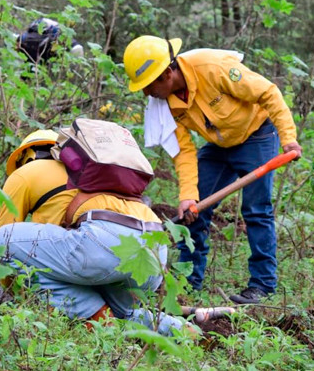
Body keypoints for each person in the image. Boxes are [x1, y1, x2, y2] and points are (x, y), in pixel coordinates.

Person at [122, 35, 303, 304]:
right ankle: (188, 283)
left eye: (148, 86)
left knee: (256, 210)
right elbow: (184, 151)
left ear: (167, 73)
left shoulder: (213, 68)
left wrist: (288, 139)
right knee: (194, 211)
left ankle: (262, 285)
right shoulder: (165, 104)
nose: (147, 94)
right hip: (219, 145)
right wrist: (187, 195)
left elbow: (268, 93)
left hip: (257, 135)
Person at [0, 129, 188, 336]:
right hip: (154, 251)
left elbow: (3, 251)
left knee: (4, 239)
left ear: (26, 155)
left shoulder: (26, 173)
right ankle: (186, 333)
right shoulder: (94, 175)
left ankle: (97, 318)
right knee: (125, 313)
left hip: (103, 245)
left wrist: (6, 293)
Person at [16, 18, 84, 66]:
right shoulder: (32, 38)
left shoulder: (28, 41)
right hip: (72, 47)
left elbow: (32, 60)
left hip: (65, 49)